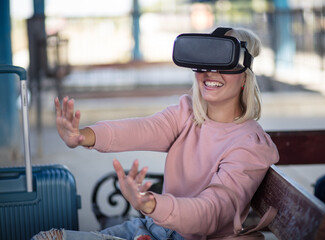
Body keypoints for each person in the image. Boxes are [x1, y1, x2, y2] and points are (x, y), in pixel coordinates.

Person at [32, 27, 279, 240]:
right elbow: (143, 129)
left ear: (245, 76)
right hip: (152, 228)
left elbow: (213, 212)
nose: (209, 71)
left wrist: (151, 203)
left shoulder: (250, 144)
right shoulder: (187, 114)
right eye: (204, 60)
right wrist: (83, 136)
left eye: (222, 60)